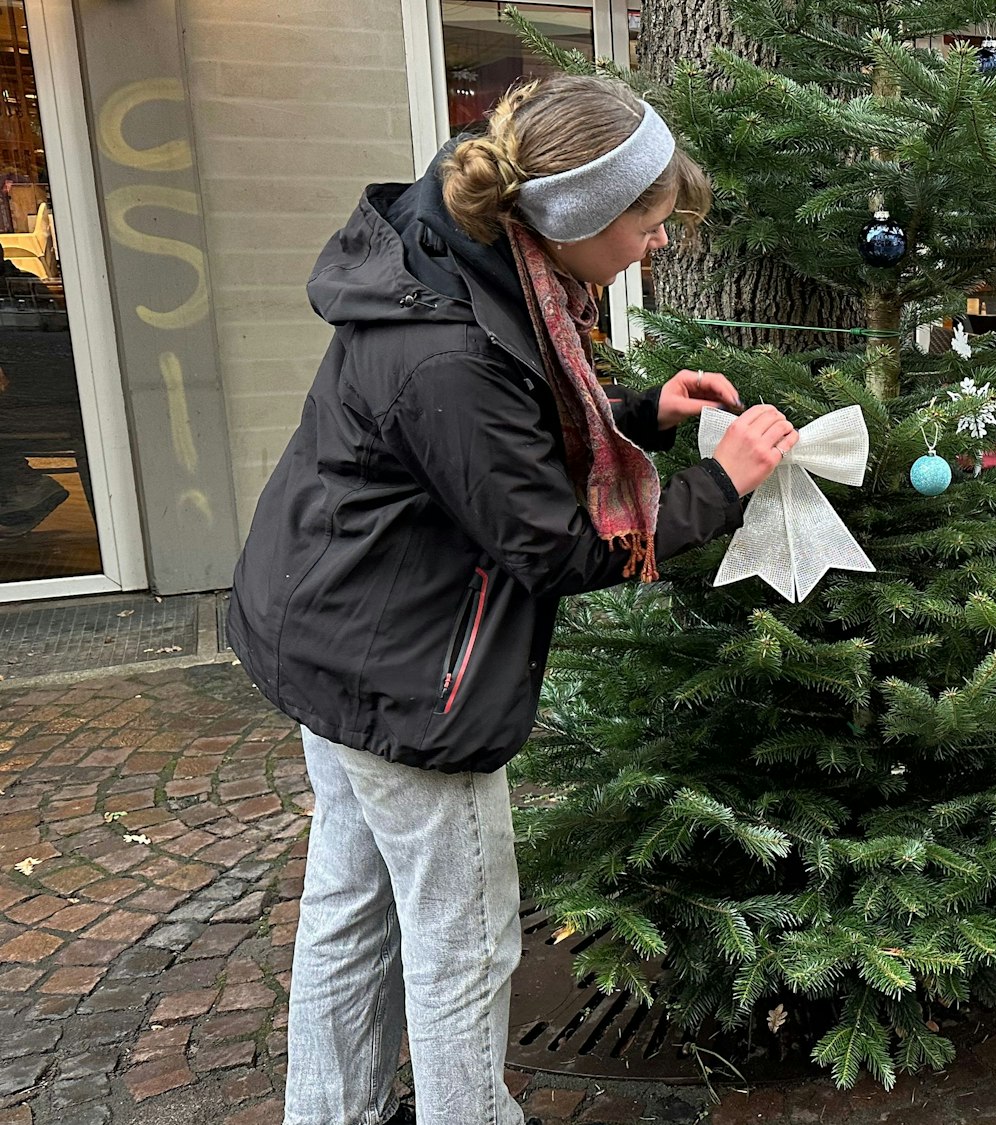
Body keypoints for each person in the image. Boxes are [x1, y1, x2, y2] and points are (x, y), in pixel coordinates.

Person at [229, 75, 800, 1125]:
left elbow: (502, 444)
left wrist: (641, 410)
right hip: (404, 673)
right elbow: (558, 545)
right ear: (578, 218)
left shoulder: (474, 260)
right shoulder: (447, 348)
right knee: (464, 940)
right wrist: (723, 487)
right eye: (646, 221)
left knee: (348, 911)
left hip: (337, 629)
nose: (656, 244)